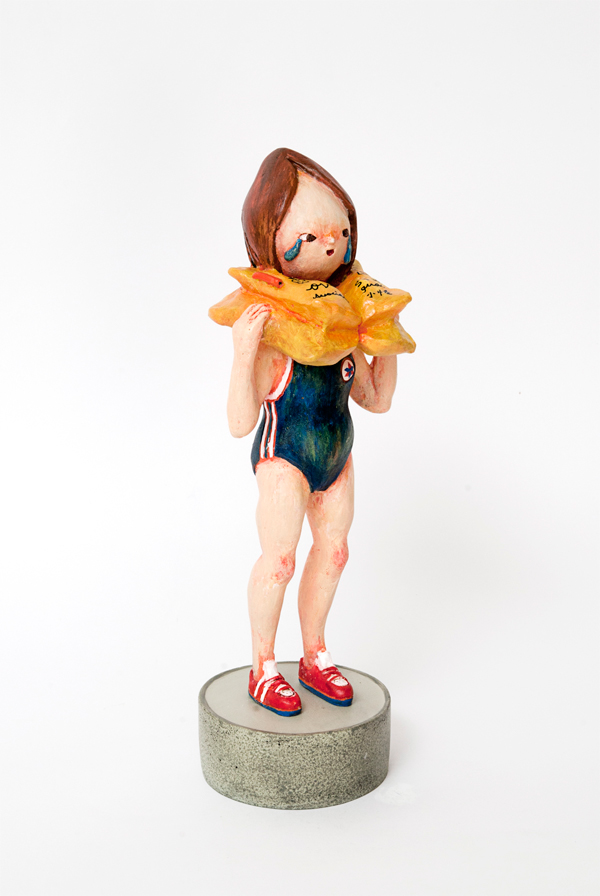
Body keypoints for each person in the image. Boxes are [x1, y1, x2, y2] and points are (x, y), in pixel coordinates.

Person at [226, 149, 398, 716]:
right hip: (285, 455)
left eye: (340, 234)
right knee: (279, 559)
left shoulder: (343, 320)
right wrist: (243, 351)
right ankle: (262, 666)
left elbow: (376, 399)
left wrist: (385, 340)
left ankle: (314, 655)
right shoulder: (272, 330)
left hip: (337, 453)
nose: (330, 246)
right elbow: (239, 422)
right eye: (310, 236)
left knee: (335, 551)